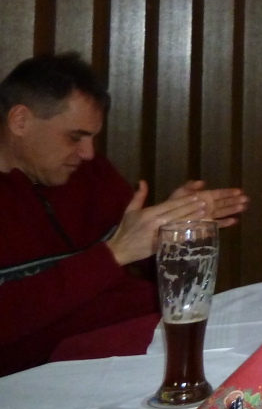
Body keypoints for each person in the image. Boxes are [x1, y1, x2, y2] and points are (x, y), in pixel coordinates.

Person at [0, 53, 248, 376]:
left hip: (146, 338)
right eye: (75, 137)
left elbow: (155, 270)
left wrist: (172, 233)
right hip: (54, 373)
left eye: (93, 138)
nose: (88, 153)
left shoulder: (91, 175)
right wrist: (114, 254)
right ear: (20, 121)